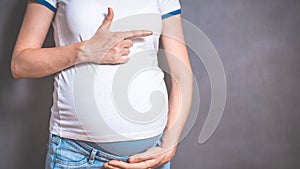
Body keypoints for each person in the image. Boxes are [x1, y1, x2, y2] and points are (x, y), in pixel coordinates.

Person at [11, 0, 193, 168]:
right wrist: (85, 50)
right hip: (76, 155)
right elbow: (20, 64)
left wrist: (170, 142)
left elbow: (181, 74)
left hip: (149, 157)